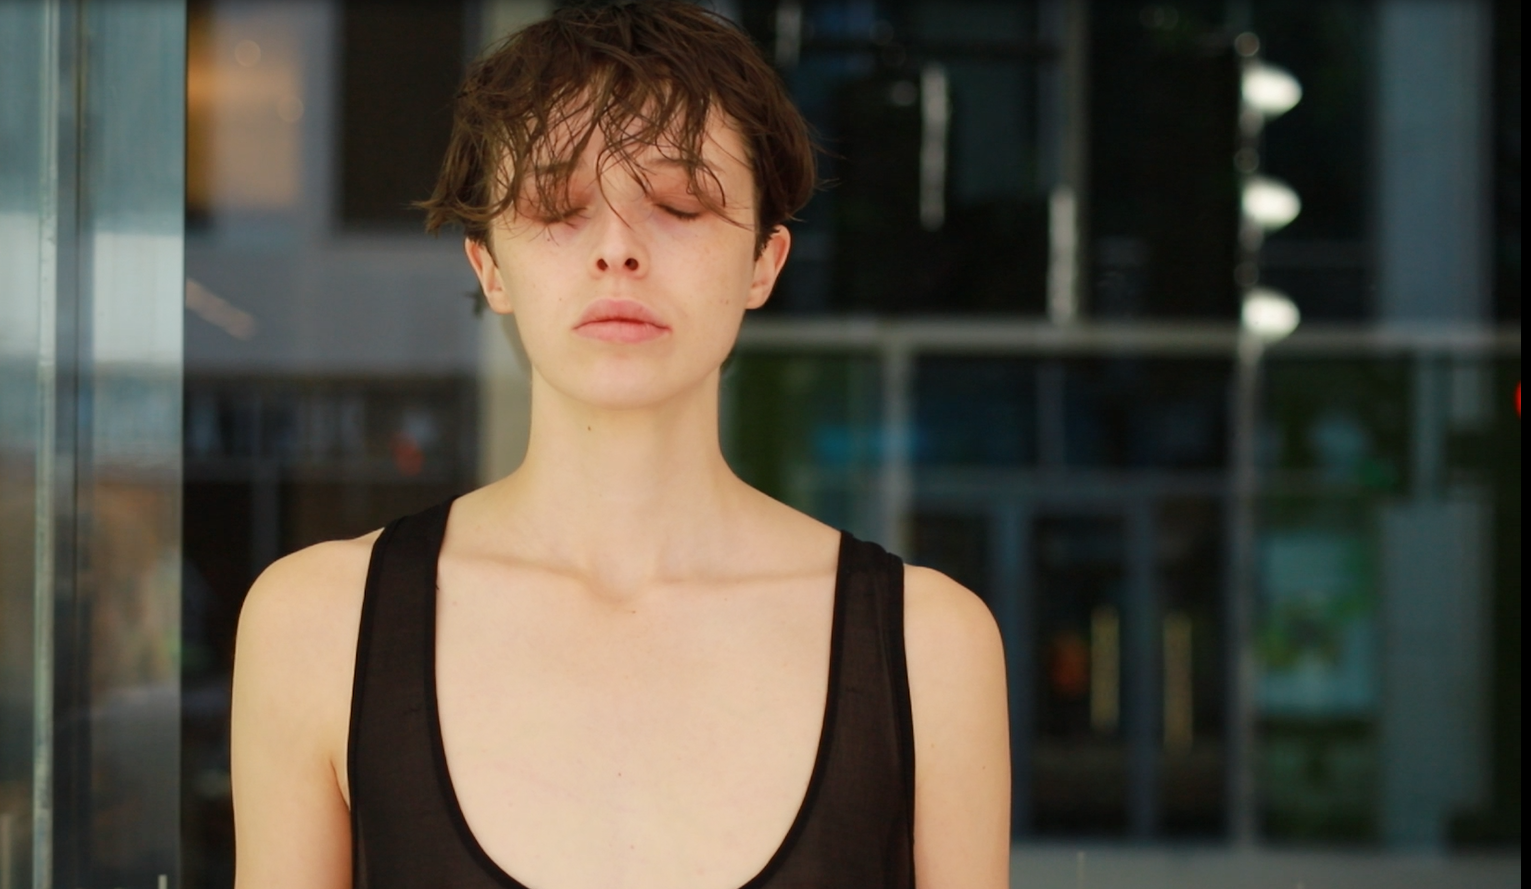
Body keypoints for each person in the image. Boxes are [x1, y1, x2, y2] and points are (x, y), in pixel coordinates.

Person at [231, 2, 1009, 886]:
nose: (618, 250)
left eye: (679, 204)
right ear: (489, 267)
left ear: (766, 260)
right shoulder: (316, 626)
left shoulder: (929, 647)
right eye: (559, 207)